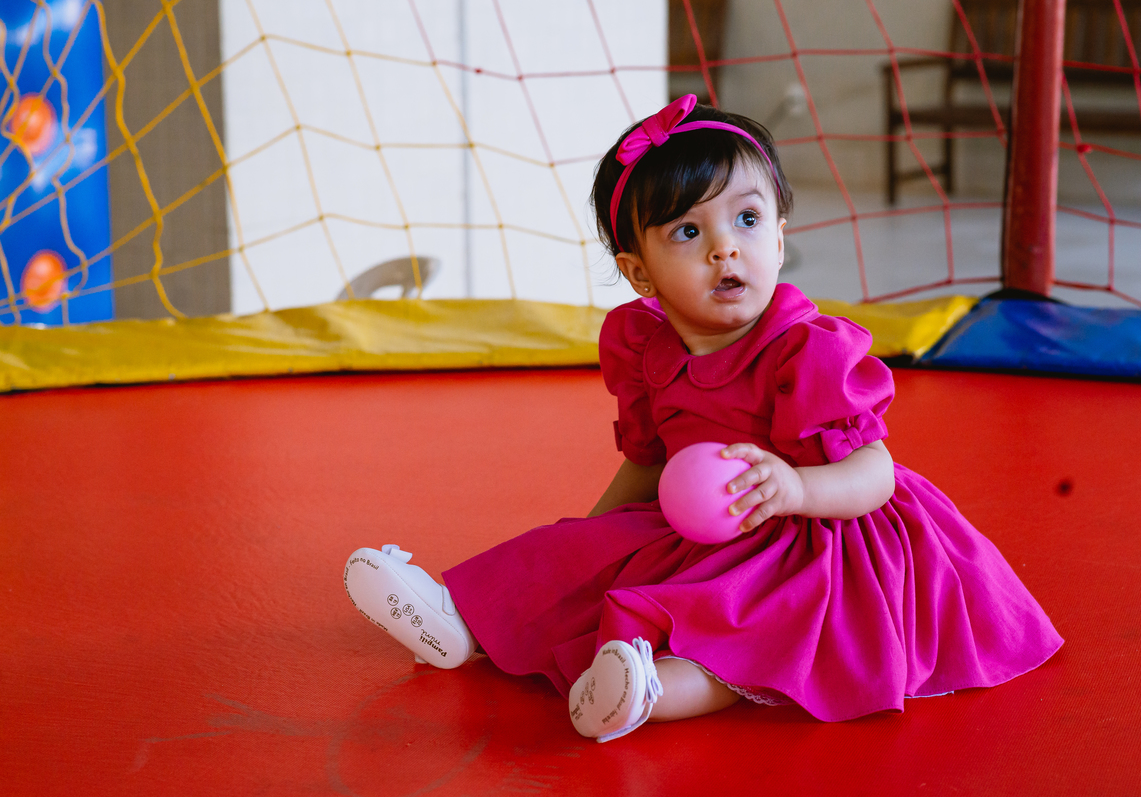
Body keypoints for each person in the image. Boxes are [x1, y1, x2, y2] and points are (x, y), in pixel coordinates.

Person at [343, 94, 1063, 743]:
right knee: (572, 554)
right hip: (696, 530)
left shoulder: (807, 351)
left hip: (817, 539)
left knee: (747, 627)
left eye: (747, 219)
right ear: (640, 272)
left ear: (778, 237)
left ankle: (645, 691)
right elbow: (648, 462)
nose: (726, 246)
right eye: (688, 232)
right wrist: (584, 539)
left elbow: (873, 471)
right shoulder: (648, 349)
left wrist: (798, 490)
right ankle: (456, 622)